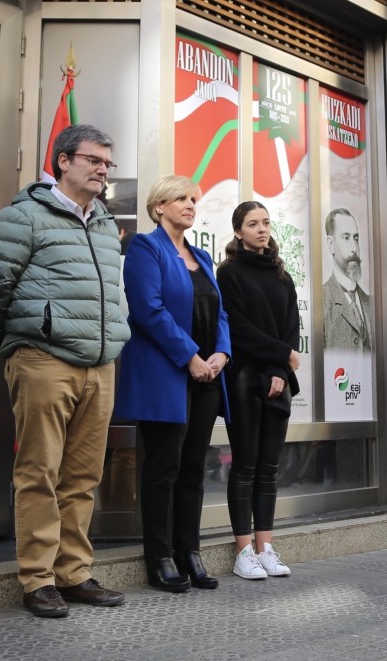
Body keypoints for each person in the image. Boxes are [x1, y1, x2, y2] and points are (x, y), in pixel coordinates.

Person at [0, 124, 130, 618]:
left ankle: (74, 572)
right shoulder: (22, 216)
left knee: (83, 476)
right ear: (63, 161)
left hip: (100, 364)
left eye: (107, 163)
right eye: (94, 160)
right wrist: (15, 347)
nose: (103, 170)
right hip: (44, 359)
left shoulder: (105, 223)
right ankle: (38, 578)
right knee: (39, 472)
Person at [114, 175, 231, 593]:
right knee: (163, 468)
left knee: (193, 469)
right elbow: (148, 310)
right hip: (167, 375)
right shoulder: (146, 248)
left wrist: (221, 353)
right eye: (180, 198)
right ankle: (160, 557)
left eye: (193, 198)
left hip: (207, 377)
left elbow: (220, 313)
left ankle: (189, 552)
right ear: (158, 206)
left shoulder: (201, 255)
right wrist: (190, 357)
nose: (190, 204)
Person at [216, 201, 301, 580]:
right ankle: (243, 551)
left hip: (277, 380)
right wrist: (281, 357)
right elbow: (238, 329)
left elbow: (290, 327)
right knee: (245, 465)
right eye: (252, 224)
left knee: (269, 468)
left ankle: (266, 548)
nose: (262, 229)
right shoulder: (229, 273)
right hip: (244, 380)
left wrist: (279, 370)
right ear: (239, 232)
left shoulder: (282, 276)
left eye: (265, 222)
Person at [323, 208, 372, 352]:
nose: (354, 248)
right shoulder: (321, 301)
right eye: (346, 238)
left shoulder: (370, 303)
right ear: (331, 244)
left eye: (356, 239)